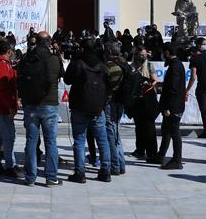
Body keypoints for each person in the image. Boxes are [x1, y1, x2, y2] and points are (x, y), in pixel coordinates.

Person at [64, 37, 111, 183]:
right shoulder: (102, 65)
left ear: (82, 48)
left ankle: (80, 172)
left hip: (79, 107)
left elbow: (67, 80)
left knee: (79, 140)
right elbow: (109, 86)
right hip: (98, 108)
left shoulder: (77, 63)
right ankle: (106, 171)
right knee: (102, 140)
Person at [21, 31, 63, 187]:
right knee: (51, 142)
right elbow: (61, 74)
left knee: (31, 141)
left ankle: (30, 177)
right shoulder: (53, 59)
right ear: (49, 42)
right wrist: (57, 52)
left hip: (30, 104)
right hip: (49, 104)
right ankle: (51, 177)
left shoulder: (27, 58)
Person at [0, 39, 22, 178]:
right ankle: (10, 165)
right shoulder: (1, 65)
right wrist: (10, 106)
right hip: (0, 107)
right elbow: (2, 89)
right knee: (9, 136)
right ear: (9, 51)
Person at [156, 43, 185, 169]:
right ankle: (161, 155)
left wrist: (168, 107)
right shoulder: (176, 64)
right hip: (173, 105)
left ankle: (177, 160)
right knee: (166, 130)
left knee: (174, 132)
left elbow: (173, 89)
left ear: (167, 52)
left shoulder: (175, 66)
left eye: (163, 52)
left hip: (173, 106)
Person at [128, 45, 159, 164]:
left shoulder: (149, 65)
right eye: (141, 55)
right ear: (136, 55)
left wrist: (147, 83)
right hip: (136, 100)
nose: (143, 57)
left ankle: (152, 152)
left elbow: (155, 79)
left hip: (148, 98)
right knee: (138, 126)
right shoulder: (132, 67)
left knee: (149, 127)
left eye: (145, 55)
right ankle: (140, 149)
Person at [103, 42, 128, 176]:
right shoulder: (124, 64)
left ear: (109, 52)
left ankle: (115, 165)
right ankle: (121, 163)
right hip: (121, 102)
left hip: (111, 102)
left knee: (111, 134)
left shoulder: (110, 66)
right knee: (116, 132)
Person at [188, 37, 206, 139]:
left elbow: (193, 76)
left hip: (203, 86)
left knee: (204, 110)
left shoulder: (194, 59)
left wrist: (187, 90)